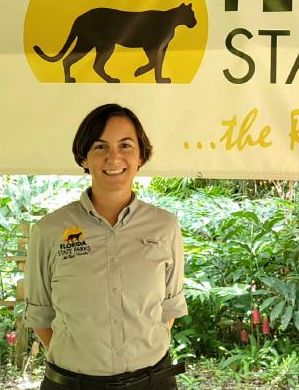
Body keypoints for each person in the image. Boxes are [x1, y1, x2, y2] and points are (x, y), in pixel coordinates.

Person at [24, 103, 188, 390]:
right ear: (84, 157)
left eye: (126, 145)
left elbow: (167, 310)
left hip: (152, 382)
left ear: (141, 156)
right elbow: (40, 315)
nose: (114, 157)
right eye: (100, 146)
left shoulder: (164, 226)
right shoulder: (50, 230)